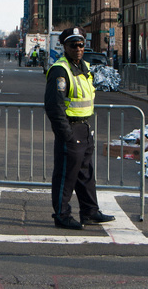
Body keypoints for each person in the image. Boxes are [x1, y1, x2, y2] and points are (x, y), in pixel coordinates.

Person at [44, 27, 115, 230]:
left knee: (85, 174)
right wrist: (66, 134)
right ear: (65, 46)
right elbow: (54, 106)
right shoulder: (61, 70)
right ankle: (62, 215)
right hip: (70, 129)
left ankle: (90, 211)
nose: (78, 48)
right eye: (73, 45)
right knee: (66, 175)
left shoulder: (84, 67)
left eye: (81, 44)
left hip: (84, 128)